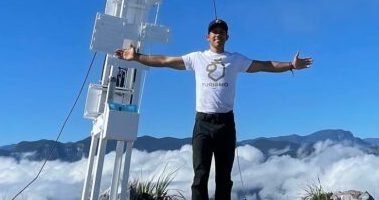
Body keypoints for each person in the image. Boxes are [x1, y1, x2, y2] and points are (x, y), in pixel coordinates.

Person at [115, 18, 313, 200]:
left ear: (227, 36)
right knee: (200, 175)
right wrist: (136, 57)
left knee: (224, 178)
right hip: (202, 123)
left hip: (226, 123)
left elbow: (264, 65)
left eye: (222, 31)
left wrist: (291, 65)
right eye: (214, 31)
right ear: (207, 37)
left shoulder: (235, 59)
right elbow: (166, 61)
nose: (218, 34)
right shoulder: (196, 58)